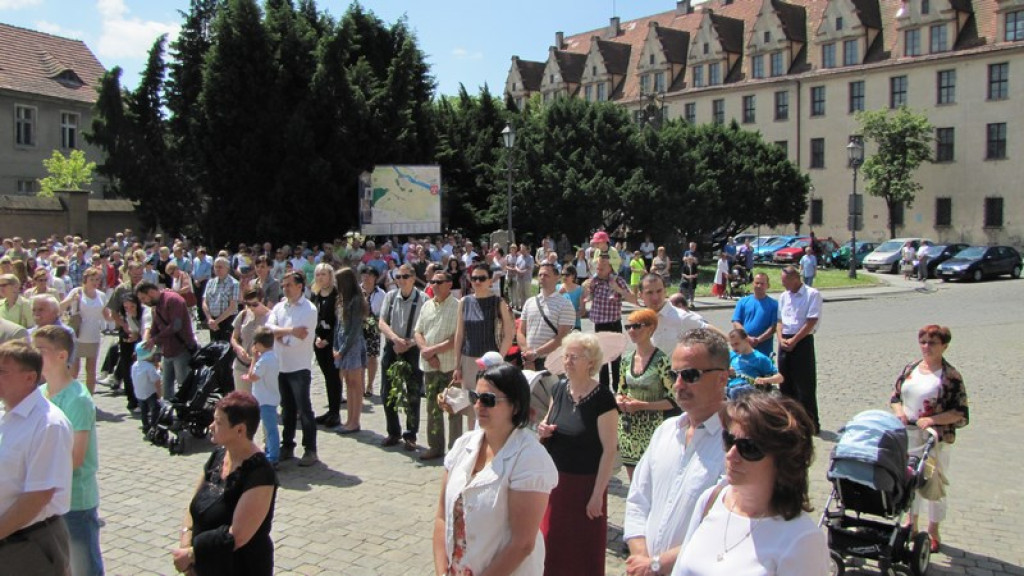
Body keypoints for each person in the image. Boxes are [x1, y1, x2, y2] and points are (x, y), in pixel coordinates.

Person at [670, 394, 828, 575]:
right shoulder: (712, 499)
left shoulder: (803, 539)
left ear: (782, 460)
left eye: (749, 448)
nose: (731, 455)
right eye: (729, 440)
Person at [623, 328, 728, 576]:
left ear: (722, 378)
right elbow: (638, 500)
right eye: (674, 374)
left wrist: (657, 565)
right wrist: (642, 559)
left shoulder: (737, 446)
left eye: (690, 375)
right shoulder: (665, 431)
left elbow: (721, 527)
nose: (678, 384)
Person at [172, 391, 278, 576]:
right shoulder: (218, 455)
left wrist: (191, 554)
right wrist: (186, 541)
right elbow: (193, 505)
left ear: (240, 430)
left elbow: (238, 535)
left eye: (218, 422)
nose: (211, 426)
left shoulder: (260, 474)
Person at [538, 332, 618, 575]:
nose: (568, 361)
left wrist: (597, 495)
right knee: (552, 544)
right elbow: (548, 422)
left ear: (591, 362)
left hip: (586, 487)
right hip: (556, 484)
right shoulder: (558, 389)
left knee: (583, 552)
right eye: (566, 356)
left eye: (574, 357)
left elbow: (609, 450)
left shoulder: (603, 398)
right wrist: (543, 430)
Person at [890, 324, 969, 553]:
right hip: (909, 435)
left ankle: (934, 529)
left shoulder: (950, 376)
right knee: (909, 481)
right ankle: (911, 523)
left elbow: (960, 413)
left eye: (932, 343)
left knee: (932, 483)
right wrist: (899, 412)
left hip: (934, 440)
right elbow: (895, 397)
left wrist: (933, 420)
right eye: (923, 342)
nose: (926, 347)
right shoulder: (911, 368)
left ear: (944, 346)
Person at [33, 326, 104, 576]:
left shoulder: (78, 399)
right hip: (48, 498)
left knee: (85, 567)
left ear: (62, 356)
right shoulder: (40, 393)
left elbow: (75, 458)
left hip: (75, 500)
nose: (33, 355)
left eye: (40, 350)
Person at [0, 340, 73, 573]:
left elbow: (37, 496)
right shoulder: (6, 414)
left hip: (28, 544)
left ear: (30, 378)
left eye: (2, 372)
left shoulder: (49, 424)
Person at [451, 264, 515, 439]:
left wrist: (499, 359)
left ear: (490, 281)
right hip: (468, 360)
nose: (477, 282)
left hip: (490, 362)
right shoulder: (464, 302)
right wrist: (457, 365)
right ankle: (473, 442)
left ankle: (491, 441)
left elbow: (509, 334)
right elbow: (459, 334)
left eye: (481, 278)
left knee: (490, 404)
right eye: (474, 278)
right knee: (472, 405)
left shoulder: (498, 302)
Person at [265, 271, 318, 466]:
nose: (285, 288)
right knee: (286, 409)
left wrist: (281, 336)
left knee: (304, 409)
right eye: (283, 285)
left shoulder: (309, 309)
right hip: (281, 365)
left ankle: (310, 449)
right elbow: (268, 330)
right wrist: (288, 331)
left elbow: (297, 339)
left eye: (288, 285)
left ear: (299, 286)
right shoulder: (279, 307)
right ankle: (287, 445)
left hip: (299, 366)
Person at [616, 309, 675, 482]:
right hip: (628, 428)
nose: (631, 331)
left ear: (650, 328)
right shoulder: (626, 360)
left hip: (652, 429)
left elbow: (673, 400)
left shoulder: (661, 360)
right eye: (628, 327)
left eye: (637, 326)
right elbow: (621, 390)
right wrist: (619, 399)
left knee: (651, 480)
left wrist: (642, 405)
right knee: (633, 482)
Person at [376, 264, 425, 447]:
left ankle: (411, 434)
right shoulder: (390, 296)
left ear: (413, 278)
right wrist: (395, 339)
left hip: (413, 347)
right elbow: (382, 322)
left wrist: (410, 343)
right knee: (387, 391)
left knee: (413, 391)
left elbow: (426, 327)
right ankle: (393, 432)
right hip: (392, 346)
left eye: (405, 277)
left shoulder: (423, 299)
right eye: (398, 277)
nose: (401, 280)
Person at [414, 270, 460, 460]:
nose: (435, 285)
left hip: (450, 366)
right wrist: (426, 351)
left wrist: (433, 350)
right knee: (432, 407)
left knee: (453, 408)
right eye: (432, 282)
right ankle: (435, 447)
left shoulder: (458, 306)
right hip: (430, 365)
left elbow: (457, 337)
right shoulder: (427, 305)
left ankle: (455, 451)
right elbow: (418, 332)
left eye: (439, 282)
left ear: (449, 284)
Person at [776, 266, 823, 434]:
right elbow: (779, 320)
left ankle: (810, 423)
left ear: (795, 279)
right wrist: (781, 339)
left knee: (804, 384)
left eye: (785, 281)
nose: (783, 284)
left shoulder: (812, 294)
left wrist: (795, 340)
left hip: (802, 340)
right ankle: (790, 422)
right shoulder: (784, 296)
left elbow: (811, 321)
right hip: (785, 339)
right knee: (785, 383)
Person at [583, 254, 637, 392]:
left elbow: (633, 299)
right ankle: (604, 389)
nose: (598, 270)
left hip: (613, 324)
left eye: (602, 268)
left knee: (615, 359)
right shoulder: (595, 280)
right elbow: (588, 296)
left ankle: (618, 388)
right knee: (602, 359)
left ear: (610, 268)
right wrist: (587, 291)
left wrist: (617, 289)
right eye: (597, 267)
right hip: (599, 324)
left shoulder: (618, 281)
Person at [137, 281, 197, 399]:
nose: (143, 302)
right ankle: (168, 407)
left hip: (181, 349)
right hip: (167, 350)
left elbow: (176, 326)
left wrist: (154, 340)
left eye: (143, 298)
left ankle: (187, 407)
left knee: (183, 383)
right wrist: (148, 341)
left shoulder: (173, 300)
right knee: (166, 386)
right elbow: (156, 324)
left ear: (151, 292)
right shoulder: (157, 305)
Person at [518, 263, 575, 372]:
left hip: (552, 362)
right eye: (540, 275)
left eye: (546, 275)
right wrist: (527, 355)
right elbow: (520, 331)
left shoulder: (565, 305)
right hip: (529, 360)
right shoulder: (529, 302)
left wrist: (535, 353)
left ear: (557, 278)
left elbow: (562, 337)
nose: (542, 277)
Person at [60, 268, 107, 394]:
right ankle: (71, 395)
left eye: (97, 279)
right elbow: (61, 307)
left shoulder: (101, 295)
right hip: (77, 335)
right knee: (74, 370)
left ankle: (89, 397)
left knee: (91, 370)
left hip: (94, 335)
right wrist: (71, 300)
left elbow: (106, 315)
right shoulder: (77, 291)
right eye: (92, 279)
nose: (95, 282)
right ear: (85, 279)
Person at [308, 263, 344, 428]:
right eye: (318, 274)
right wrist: (316, 337)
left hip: (332, 341)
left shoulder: (337, 295)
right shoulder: (315, 295)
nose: (320, 277)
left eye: (323, 274)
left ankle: (335, 413)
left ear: (330, 276)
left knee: (334, 377)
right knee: (327, 376)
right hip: (318, 340)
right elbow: (312, 319)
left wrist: (328, 340)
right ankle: (330, 411)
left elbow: (339, 322)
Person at [641, 274, 710, 359]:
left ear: (665, 291)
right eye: (649, 292)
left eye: (659, 291)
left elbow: (713, 334)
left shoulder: (681, 317)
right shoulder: (641, 319)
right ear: (641, 295)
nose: (655, 297)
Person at [333, 267, 368, 435]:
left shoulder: (356, 301)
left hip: (352, 346)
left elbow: (354, 329)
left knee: (355, 383)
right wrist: (335, 346)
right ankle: (349, 419)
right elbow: (338, 325)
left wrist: (342, 349)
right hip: (341, 344)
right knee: (347, 383)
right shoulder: (341, 300)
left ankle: (355, 421)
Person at [243, 327, 282, 467]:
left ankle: (273, 457)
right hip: (270, 397)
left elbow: (252, 376)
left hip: (265, 400)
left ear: (259, 344)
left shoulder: (263, 360)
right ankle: (271, 452)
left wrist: (254, 359)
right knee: (269, 428)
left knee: (270, 429)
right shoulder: (273, 356)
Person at [230, 288, 270, 394]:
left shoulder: (271, 318)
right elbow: (234, 337)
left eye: (255, 304)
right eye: (248, 304)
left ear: (262, 300)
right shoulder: (243, 314)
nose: (251, 308)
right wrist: (238, 348)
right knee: (242, 400)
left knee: (260, 400)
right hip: (241, 365)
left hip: (262, 367)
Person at [731, 273, 779, 357]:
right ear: (753, 284)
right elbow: (736, 322)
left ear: (768, 286)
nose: (759, 286)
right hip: (744, 347)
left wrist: (758, 340)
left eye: (762, 283)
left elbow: (774, 327)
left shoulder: (774, 305)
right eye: (757, 283)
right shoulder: (742, 302)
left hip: (764, 350)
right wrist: (747, 337)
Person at [726, 328, 783, 399]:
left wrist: (765, 380)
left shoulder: (760, 358)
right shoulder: (732, 355)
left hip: (746, 389)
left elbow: (780, 378)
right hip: (729, 388)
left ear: (746, 340)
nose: (734, 348)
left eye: (737, 344)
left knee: (737, 391)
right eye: (732, 345)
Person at [360, 265, 386, 397]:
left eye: (369, 275)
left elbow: (384, 312)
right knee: (359, 357)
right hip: (358, 328)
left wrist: (378, 322)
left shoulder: (381, 294)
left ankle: (370, 385)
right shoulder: (356, 291)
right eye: (364, 275)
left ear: (375, 277)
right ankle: (360, 385)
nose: (366, 277)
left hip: (374, 328)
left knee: (372, 356)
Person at [202, 257, 239, 342]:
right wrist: (210, 319)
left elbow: (233, 307)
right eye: (216, 267)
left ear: (227, 269)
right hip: (212, 321)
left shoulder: (234, 283)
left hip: (227, 321)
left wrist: (217, 321)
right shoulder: (210, 282)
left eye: (220, 267)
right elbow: (204, 302)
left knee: (227, 347)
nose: (217, 269)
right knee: (213, 346)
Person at [131, 342, 162, 435]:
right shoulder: (149, 367)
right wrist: (159, 395)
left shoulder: (135, 365)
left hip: (139, 393)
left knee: (143, 411)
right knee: (155, 408)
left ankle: (145, 426)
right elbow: (156, 381)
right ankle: (154, 426)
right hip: (150, 393)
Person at [555, 264, 584, 331]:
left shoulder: (579, 289)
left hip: (575, 326)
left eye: (567, 275)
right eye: (562, 274)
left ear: (573, 276)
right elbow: (551, 305)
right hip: (559, 326)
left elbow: (582, 311)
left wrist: (569, 317)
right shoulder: (557, 287)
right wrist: (558, 294)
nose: (564, 277)